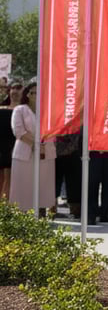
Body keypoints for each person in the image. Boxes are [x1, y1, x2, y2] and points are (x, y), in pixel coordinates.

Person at [10, 83, 56, 215]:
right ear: (28, 94)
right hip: (25, 151)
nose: (35, 95)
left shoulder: (48, 110)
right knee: (23, 183)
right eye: (33, 92)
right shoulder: (20, 110)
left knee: (43, 183)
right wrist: (36, 144)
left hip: (45, 151)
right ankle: (22, 214)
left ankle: (41, 213)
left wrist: (42, 144)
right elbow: (18, 131)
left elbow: (53, 129)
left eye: (38, 92)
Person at [0, 77, 15, 203]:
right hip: (3, 145)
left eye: (3, 87)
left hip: (11, 146)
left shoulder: (20, 108)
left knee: (8, 178)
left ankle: (5, 207)